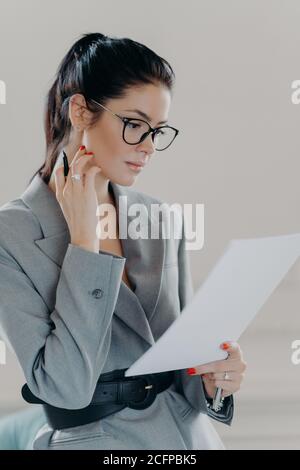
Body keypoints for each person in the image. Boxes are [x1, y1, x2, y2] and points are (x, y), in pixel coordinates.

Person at [0, 32, 246, 450]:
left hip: (190, 441)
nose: (148, 147)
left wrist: (216, 379)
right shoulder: (12, 235)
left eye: (157, 131)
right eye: (134, 125)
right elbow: (66, 387)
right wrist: (84, 245)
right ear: (80, 110)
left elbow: (184, 364)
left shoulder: (159, 219)